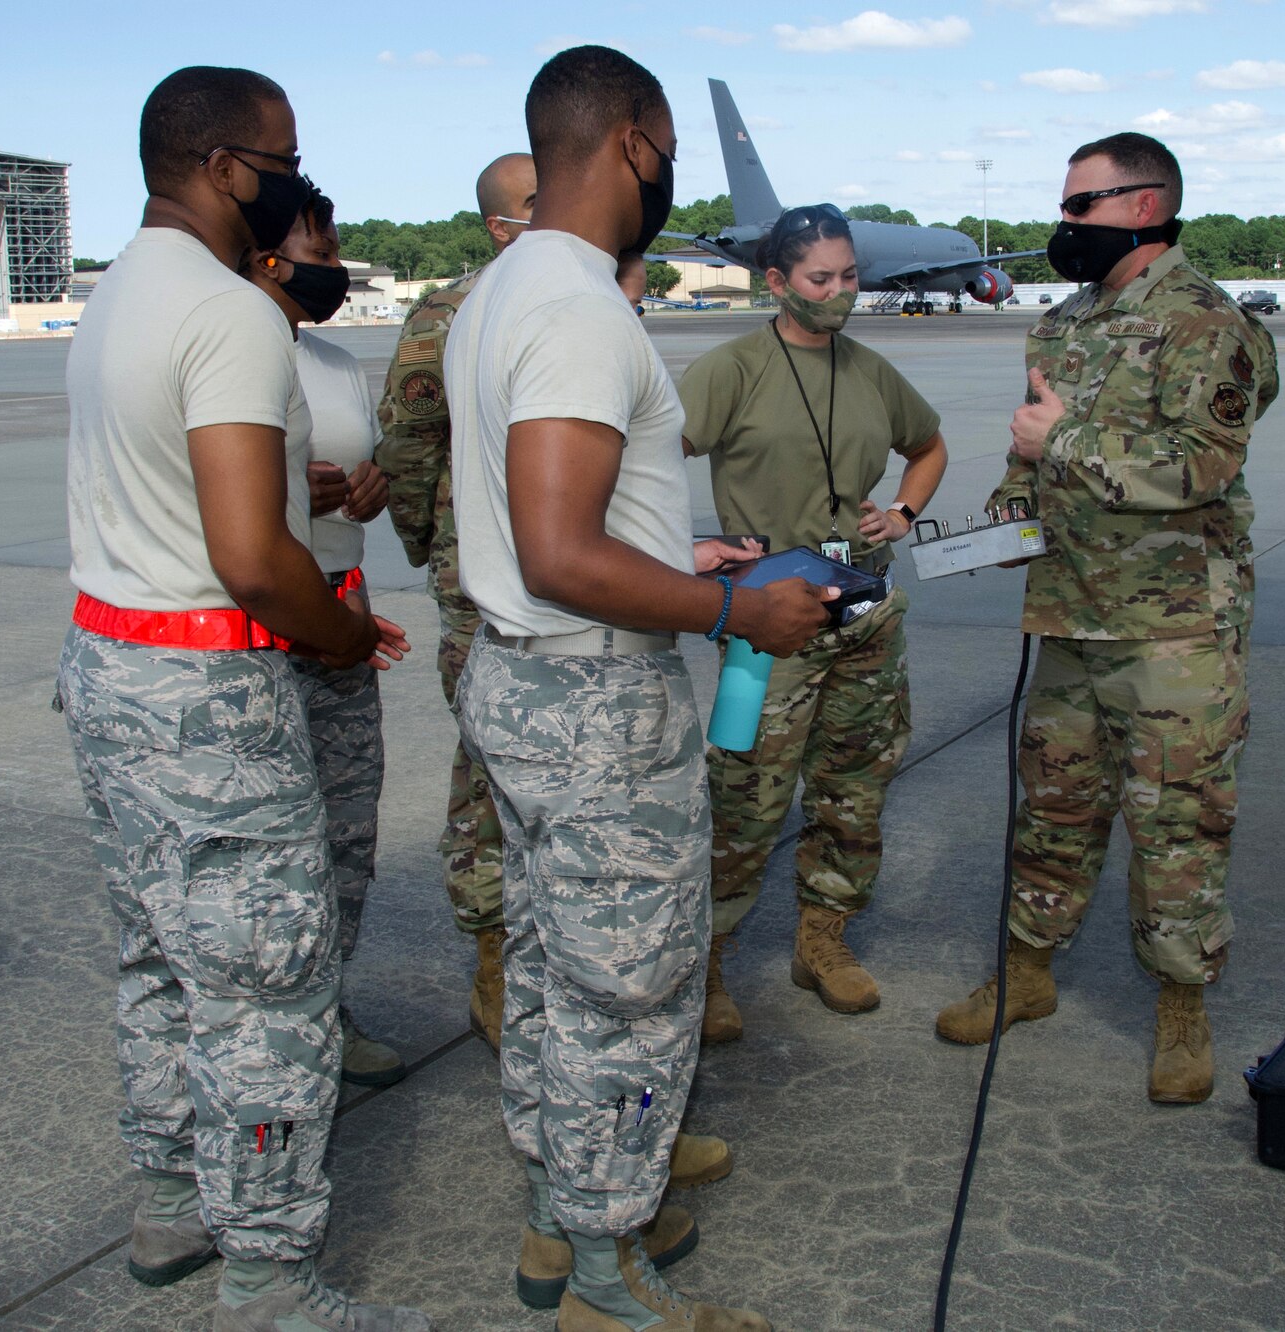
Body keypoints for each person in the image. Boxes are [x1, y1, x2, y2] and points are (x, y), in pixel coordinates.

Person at [449, 45, 831, 1332]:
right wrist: (733, 604)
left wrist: (677, 556)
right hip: (594, 702)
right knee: (631, 993)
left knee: (561, 972)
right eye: (665, 147)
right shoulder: (574, 306)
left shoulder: (505, 287)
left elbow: (555, 524)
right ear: (632, 141)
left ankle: (566, 1219)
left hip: (529, 685)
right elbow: (560, 552)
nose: (666, 170)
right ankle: (609, 1283)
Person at [56, 66, 426, 1329]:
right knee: (265, 986)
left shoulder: (115, 294)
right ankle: (270, 1280)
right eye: (280, 157)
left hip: (111, 662)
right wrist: (337, 633)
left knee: (162, 956)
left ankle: (170, 1204)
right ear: (222, 168)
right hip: (208, 690)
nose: (288, 177)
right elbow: (252, 552)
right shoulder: (230, 316)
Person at [934, 131, 1278, 1107]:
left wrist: (1066, 439)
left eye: (1079, 206)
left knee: (1175, 823)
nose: (1062, 225)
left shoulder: (1205, 325)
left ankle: (1180, 1010)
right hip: (1069, 617)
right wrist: (990, 533)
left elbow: (1200, 471)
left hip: (1170, 632)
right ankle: (1027, 973)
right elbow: (1027, 455)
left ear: (1141, 205)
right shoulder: (1061, 326)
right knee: (1051, 808)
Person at [679, 204, 947, 1041]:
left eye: (850, 277)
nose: (839, 294)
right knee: (744, 798)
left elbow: (929, 444)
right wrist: (694, 546)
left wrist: (902, 511)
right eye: (820, 279)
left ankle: (822, 940)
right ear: (776, 283)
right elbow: (642, 461)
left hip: (863, 610)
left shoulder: (869, 370)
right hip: (765, 619)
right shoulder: (732, 369)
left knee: (855, 790)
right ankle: (708, 962)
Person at [242, 184, 405, 1088]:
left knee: (347, 839)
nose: (334, 261)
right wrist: (277, 494)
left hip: (343, 611)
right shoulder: (233, 351)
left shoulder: (335, 361)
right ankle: (275, 1039)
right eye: (320, 242)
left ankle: (326, 1008)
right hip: (266, 624)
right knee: (273, 852)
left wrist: (370, 490)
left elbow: (361, 468)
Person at [375, 152, 535, 1051]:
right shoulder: (449, 309)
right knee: (488, 765)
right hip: (481, 575)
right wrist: (436, 547)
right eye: (529, 206)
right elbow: (406, 442)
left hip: (573, 575)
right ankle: (492, 958)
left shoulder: (587, 294)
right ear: (494, 223)